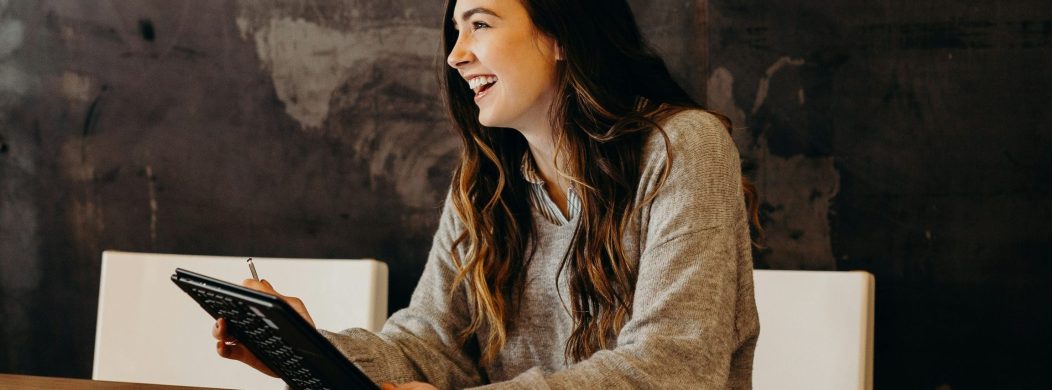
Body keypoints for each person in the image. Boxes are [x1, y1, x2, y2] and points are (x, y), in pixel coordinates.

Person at [212, 0, 761, 388]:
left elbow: (675, 368)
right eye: (456, 29)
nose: (455, 54)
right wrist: (309, 350)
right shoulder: (485, 182)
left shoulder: (683, 148)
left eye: (479, 24)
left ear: (560, 34)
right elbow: (429, 347)